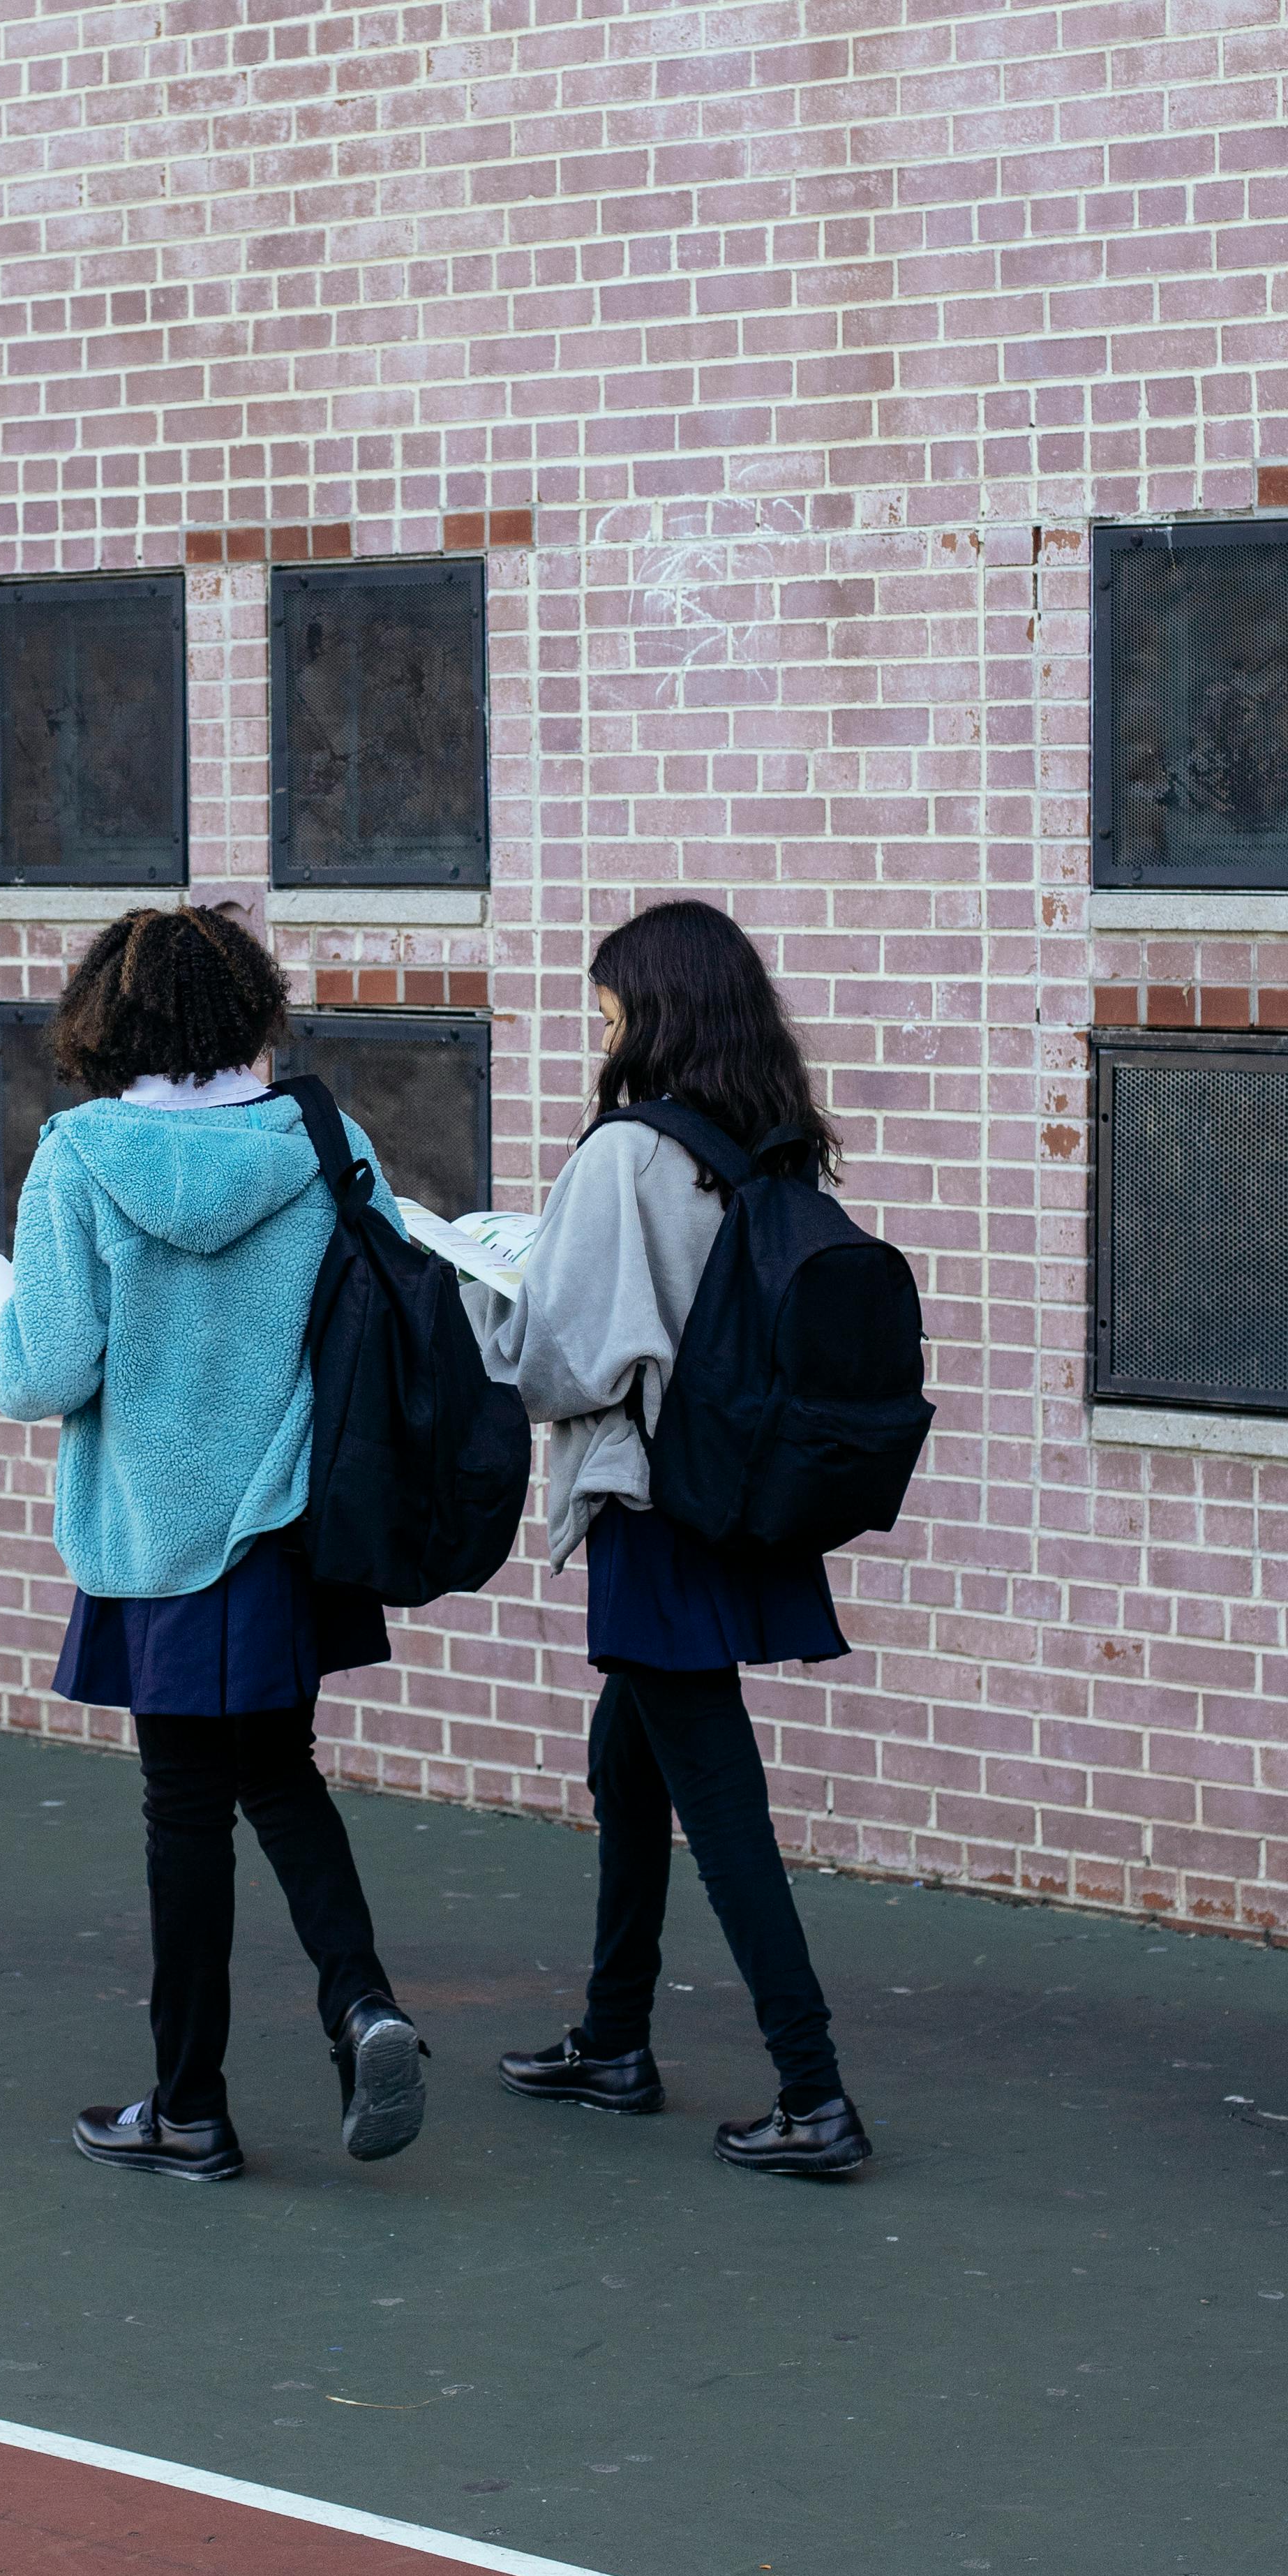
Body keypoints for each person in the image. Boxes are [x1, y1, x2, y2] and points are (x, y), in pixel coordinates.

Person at [0, 902, 429, 2184]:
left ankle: (188, 2108)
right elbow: (382, 1307)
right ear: (250, 1013)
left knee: (184, 1810)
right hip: (287, 1517)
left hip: (152, 1532)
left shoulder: (76, 1157)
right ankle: (362, 2004)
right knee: (281, 1780)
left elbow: (49, 1366)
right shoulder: (326, 1141)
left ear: (105, 1019)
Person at [463, 899, 872, 2180]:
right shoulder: (770, 1144)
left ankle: (814, 2092)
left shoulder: (626, 1156)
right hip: (734, 1496)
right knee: (627, 1763)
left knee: (721, 1804)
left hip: (651, 1509)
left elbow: (557, 1359)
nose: (601, 1035)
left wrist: (482, 1278)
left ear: (654, 1013)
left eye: (607, 1012)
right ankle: (612, 2039)